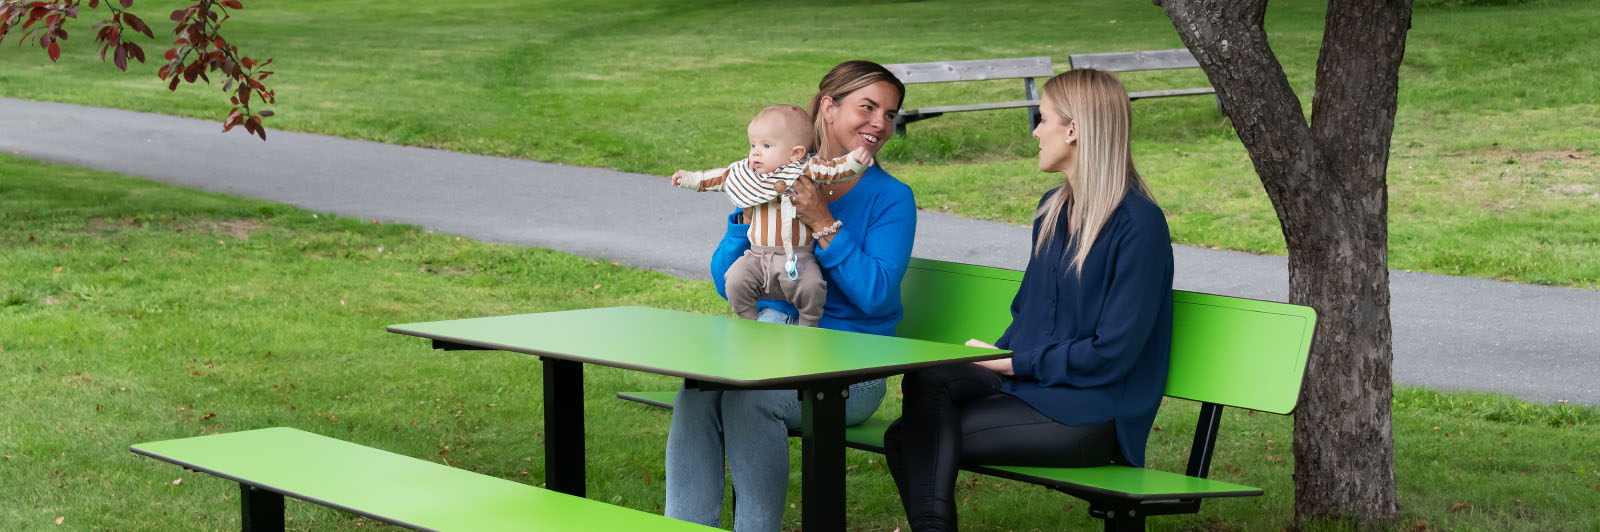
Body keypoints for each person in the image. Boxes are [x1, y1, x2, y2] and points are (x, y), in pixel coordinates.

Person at [882, 69, 1175, 531]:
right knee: (926, 380)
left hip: (1094, 413)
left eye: (1042, 120)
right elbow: (1030, 316)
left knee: (909, 438)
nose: (1036, 133)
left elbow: (1111, 355)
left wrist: (1007, 363)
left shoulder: (1139, 225)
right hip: (1035, 389)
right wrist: (993, 359)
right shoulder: (1052, 209)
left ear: (1074, 130)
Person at [664, 60, 915, 532]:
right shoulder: (772, 174)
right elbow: (726, 281)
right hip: (770, 345)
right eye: (868, 107)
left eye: (890, 114)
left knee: (749, 400)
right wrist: (746, 215)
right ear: (829, 107)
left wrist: (822, 222)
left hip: (852, 367)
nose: (880, 123)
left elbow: (876, 296)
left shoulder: (891, 198)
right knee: (697, 392)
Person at [670, 104, 874, 327]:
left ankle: (808, 326)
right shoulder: (748, 173)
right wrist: (688, 179)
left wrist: (856, 160)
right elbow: (719, 177)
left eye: (766, 145)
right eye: (753, 145)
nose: (755, 152)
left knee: (813, 288)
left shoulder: (806, 169)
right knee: (736, 280)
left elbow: (835, 169)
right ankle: (748, 323)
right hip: (756, 257)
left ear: (795, 153)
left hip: (798, 258)